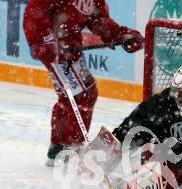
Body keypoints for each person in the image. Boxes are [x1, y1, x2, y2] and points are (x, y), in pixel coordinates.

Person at [23, 0, 144, 166]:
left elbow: (98, 20)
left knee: (81, 94)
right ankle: (70, 147)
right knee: (82, 95)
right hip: (53, 45)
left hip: (70, 46)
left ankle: (60, 147)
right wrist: (45, 43)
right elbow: (35, 10)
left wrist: (120, 35)